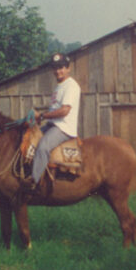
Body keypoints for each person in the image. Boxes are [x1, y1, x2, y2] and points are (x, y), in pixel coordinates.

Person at [31, 52, 81, 188]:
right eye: (55, 68)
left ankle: (33, 183)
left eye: (61, 67)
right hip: (53, 125)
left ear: (68, 68)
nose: (58, 71)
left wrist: (42, 116)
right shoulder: (59, 87)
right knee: (30, 138)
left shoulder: (71, 86)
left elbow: (64, 111)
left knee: (42, 147)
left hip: (64, 128)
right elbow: (54, 110)